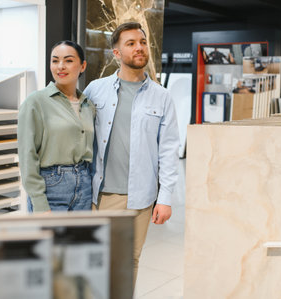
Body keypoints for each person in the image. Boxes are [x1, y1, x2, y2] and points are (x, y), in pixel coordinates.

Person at [83, 22, 179, 285]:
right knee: (95, 259)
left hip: (140, 198)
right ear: (116, 53)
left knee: (129, 260)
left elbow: (169, 149)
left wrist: (166, 197)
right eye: (131, 43)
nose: (139, 47)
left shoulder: (162, 97)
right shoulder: (95, 89)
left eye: (142, 42)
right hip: (99, 194)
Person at [18, 40, 94, 212]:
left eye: (68, 60)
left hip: (84, 185)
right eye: (55, 60)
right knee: (49, 239)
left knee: (79, 239)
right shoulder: (35, 102)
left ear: (82, 66)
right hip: (51, 186)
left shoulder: (88, 105)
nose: (60, 66)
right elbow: (27, 155)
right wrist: (38, 201)